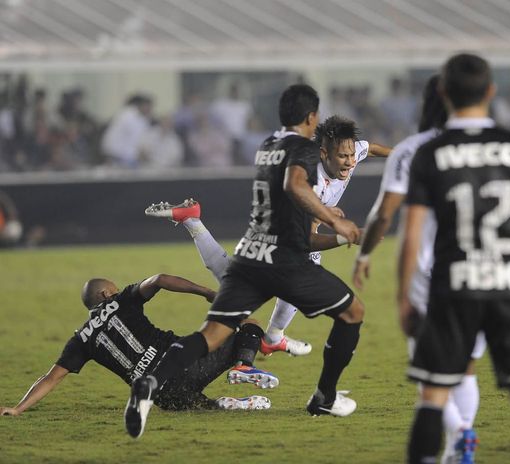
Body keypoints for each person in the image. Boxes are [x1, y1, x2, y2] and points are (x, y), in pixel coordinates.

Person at [125, 84, 364, 439]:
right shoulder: (304, 150)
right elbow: (295, 187)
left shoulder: (268, 145)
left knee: (211, 335)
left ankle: (149, 382)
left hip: (251, 255)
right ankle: (323, 397)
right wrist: (336, 222)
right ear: (312, 118)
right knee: (353, 312)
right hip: (284, 260)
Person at [399, 54, 510, 464]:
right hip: (509, 284)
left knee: (433, 397)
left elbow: (413, 232)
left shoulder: (431, 152)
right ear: (491, 91)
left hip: (453, 285)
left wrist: (404, 298)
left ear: (443, 92)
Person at [145, 116, 391, 358]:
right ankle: (272, 338)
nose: (350, 162)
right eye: (343, 157)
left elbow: (370, 149)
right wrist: (348, 235)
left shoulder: (348, 150)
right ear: (324, 154)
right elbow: (305, 240)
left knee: (239, 278)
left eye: (351, 156)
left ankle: (192, 220)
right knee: (280, 277)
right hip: (275, 234)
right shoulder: (310, 183)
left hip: (279, 232)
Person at [352, 74, 486, 464]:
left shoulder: (412, 150)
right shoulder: (491, 146)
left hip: (432, 273)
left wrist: (364, 253)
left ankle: (460, 433)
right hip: (483, 270)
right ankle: (458, 452)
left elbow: (385, 212)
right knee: (467, 367)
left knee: (429, 370)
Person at [0, 274, 274, 420]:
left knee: (194, 406)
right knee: (250, 323)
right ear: (107, 294)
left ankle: (222, 406)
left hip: (162, 396)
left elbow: (51, 378)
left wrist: (18, 408)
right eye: (114, 289)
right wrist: (208, 293)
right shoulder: (121, 301)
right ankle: (244, 366)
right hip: (184, 365)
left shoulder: (81, 338)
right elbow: (160, 279)